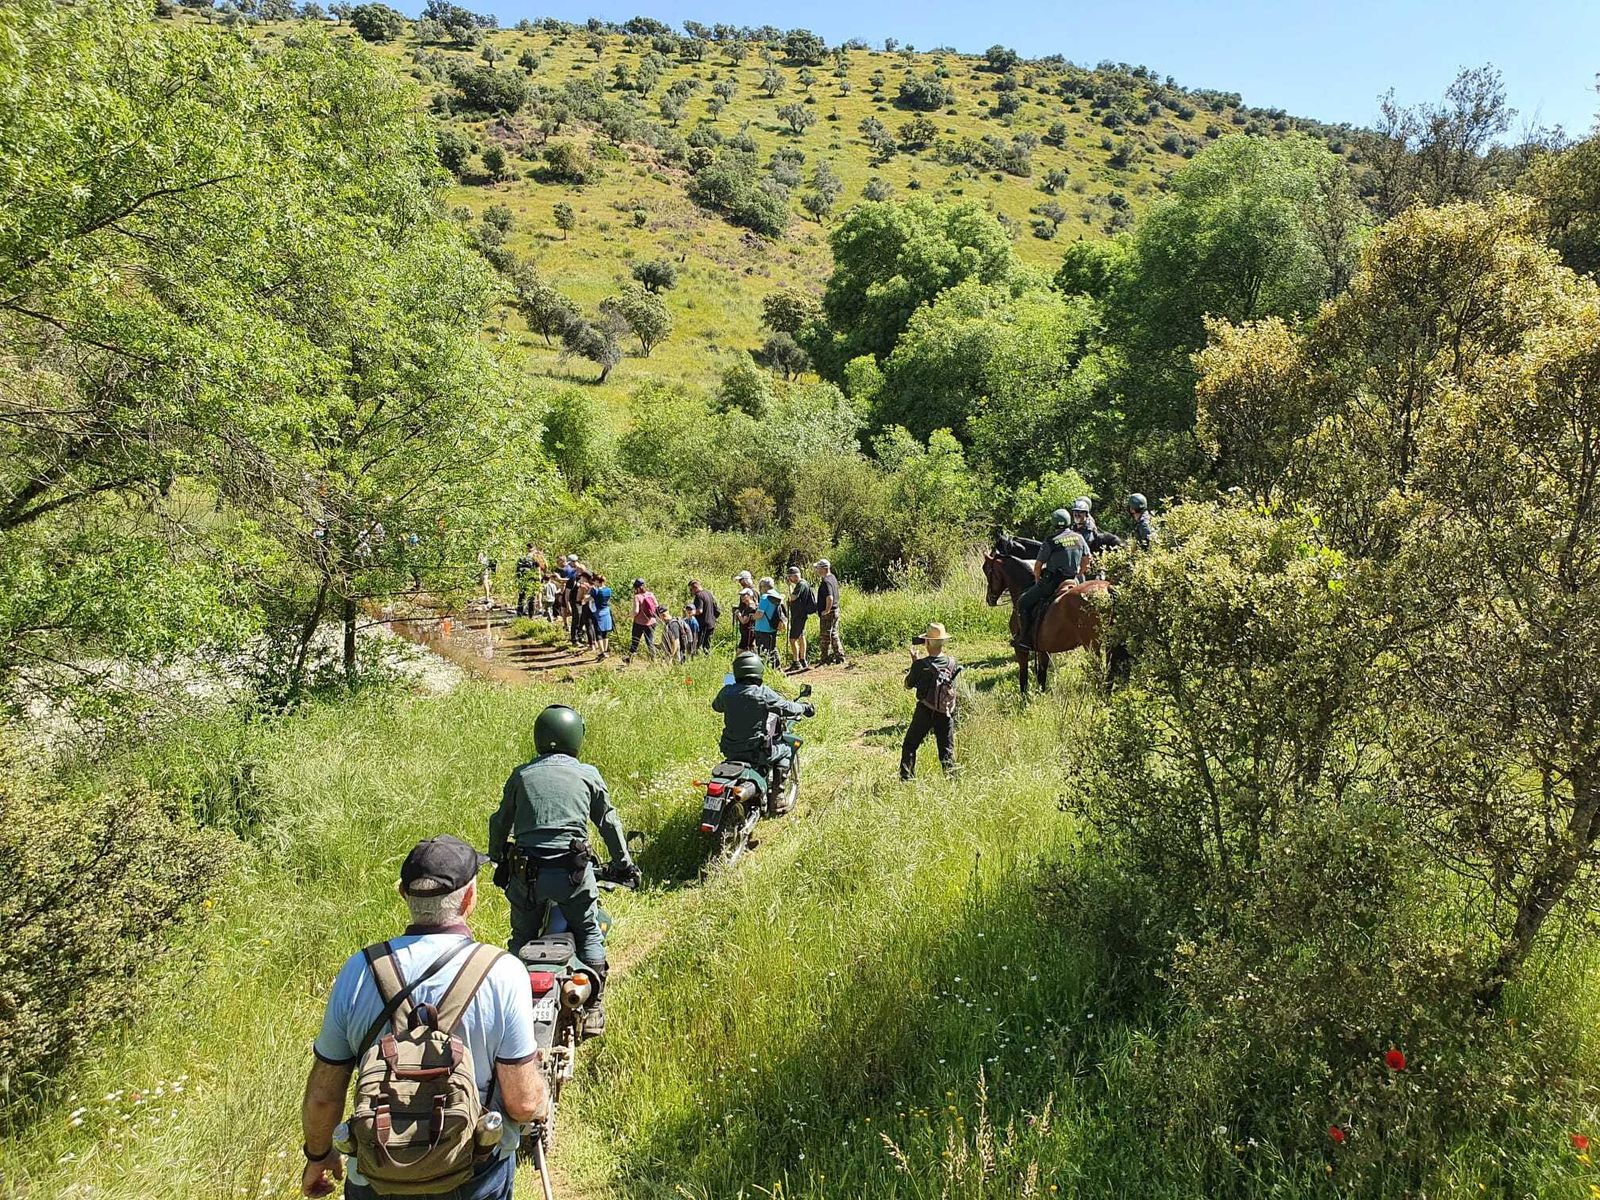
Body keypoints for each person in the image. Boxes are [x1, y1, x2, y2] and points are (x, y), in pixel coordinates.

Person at [299, 835, 546, 1200]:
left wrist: (318, 1155)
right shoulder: (502, 972)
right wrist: (541, 1095)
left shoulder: (359, 969)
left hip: (376, 1176)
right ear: (469, 899)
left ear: (403, 894)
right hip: (471, 1176)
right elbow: (523, 1104)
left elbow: (323, 1095)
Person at [488, 705, 639, 1037]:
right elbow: (609, 823)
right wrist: (624, 863)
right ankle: (595, 1007)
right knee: (588, 932)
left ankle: (508, 1006)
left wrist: (497, 856)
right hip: (571, 877)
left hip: (526, 878)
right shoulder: (588, 774)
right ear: (576, 737)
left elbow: (499, 822)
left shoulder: (522, 775)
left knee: (521, 939)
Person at [711, 652, 813, 814]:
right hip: (756, 752)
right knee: (786, 750)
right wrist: (805, 707)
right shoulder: (763, 693)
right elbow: (788, 707)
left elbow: (716, 706)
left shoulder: (727, 692)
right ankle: (777, 798)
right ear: (758, 670)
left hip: (730, 750)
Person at [1015, 509, 1088, 652]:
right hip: (1074, 580)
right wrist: (1080, 572)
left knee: (1022, 603)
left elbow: (1038, 566)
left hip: (1053, 582)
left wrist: (1037, 579)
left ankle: (1024, 639)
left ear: (1054, 523)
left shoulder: (1050, 541)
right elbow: (1087, 559)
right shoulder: (1079, 538)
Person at [901, 623, 961, 780]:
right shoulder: (952, 663)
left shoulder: (921, 665)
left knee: (910, 744)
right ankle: (952, 781)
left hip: (925, 710)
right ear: (943, 642)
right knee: (947, 751)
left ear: (927, 643)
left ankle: (906, 780)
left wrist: (915, 663)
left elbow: (907, 685)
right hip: (946, 711)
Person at [814, 559, 844, 666]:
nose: (817, 570)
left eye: (818, 568)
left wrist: (826, 610)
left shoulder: (826, 581)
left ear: (823, 568)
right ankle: (839, 656)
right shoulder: (833, 578)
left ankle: (825, 659)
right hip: (835, 610)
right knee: (834, 634)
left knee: (825, 636)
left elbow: (830, 597)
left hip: (829, 612)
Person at [786, 566, 815, 673]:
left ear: (794, 576)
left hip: (798, 616)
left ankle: (796, 662)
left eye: (790, 577)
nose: (790, 579)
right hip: (801, 615)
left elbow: (793, 597)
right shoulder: (805, 583)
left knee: (792, 639)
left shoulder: (801, 584)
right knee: (801, 636)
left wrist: (789, 587)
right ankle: (803, 660)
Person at [624, 578, 659, 662]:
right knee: (650, 641)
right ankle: (653, 660)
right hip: (652, 622)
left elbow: (636, 611)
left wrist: (628, 616)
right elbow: (657, 606)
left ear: (637, 588)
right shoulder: (651, 594)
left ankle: (630, 659)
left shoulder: (637, 597)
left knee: (635, 642)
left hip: (639, 623)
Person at [753, 577, 785, 668]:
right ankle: (777, 669)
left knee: (762, 651)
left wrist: (752, 616)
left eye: (761, 587)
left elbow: (759, 614)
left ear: (765, 587)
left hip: (762, 628)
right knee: (772, 649)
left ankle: (763, 670)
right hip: (773, 627)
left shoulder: (765, 597)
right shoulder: (777, 595)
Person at [690, 579, 719, 655]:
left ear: (695, 587)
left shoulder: (698, 595)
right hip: (711, 623)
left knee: (699, 644)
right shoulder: (708, 593)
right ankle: (707, 659)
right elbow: (715, 607)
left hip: (703, 625)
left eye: (691, 589)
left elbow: (699, 610)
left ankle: (698, 659)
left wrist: (690, 613)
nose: (691, 591)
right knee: (707, 645)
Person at [514, 543, 541, 617]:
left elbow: (517, 571)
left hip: (522, 580)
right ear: (534, 549)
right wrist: (538, 581)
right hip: (532, 580)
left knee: (521, 597)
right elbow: (538, 571)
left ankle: (519, 615)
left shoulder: (521, 558)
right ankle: (531, 616)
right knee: (532, 598)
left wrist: (517, 580)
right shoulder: (535, 558)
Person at [591, 574, 614, 659]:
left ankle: (602, 652)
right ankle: (605, 651)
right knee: (605, 633)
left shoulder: (595, 591)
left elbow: (591, 598)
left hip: (598, 613)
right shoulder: (608, 590)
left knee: (598, 633)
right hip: (606, 611)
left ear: (597, 581)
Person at [735, 586, 757, 652]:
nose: (742, 597)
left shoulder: (751, 606)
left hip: (748, 632)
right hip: (747, 632)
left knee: (740, 651)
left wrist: (738, 613)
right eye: (741, 595)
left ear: (749, 595)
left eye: (744, 595)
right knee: (750, 650)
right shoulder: (747, 606)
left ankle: (737, 662)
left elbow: (744, 621)